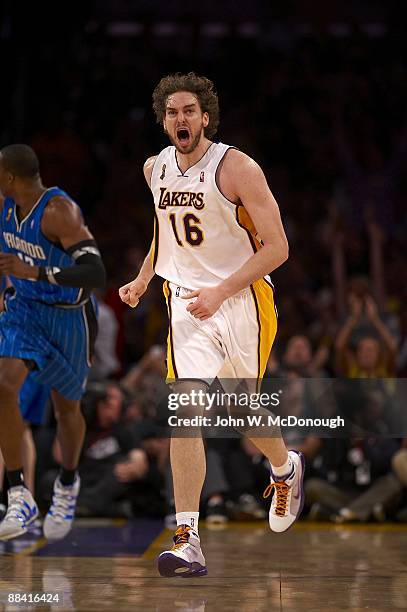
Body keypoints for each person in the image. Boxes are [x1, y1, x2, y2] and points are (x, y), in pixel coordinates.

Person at [119, 73, 304, 577]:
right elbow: (165, 237)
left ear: (206, 117)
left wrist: (221, 291)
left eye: (189, 111)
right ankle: (187, 539)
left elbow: (279, 248)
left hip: (240, 299)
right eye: (172, 112)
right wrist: (141, 278)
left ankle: (285, 468)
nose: (181, 119)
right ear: (164, 119)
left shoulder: (237, 168)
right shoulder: (154, 169)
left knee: (244, 410)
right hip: (185, 306)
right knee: (187, 411)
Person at [0, 143, 105, 540]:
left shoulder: (60, 212)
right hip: (25, 312)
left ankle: (68, 482)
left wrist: (37, 271)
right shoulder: (4, 207)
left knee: (66, 411)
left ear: (11, 176)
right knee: (2, 386)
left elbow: (95, 273)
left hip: (67, 317)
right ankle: (19, 494)